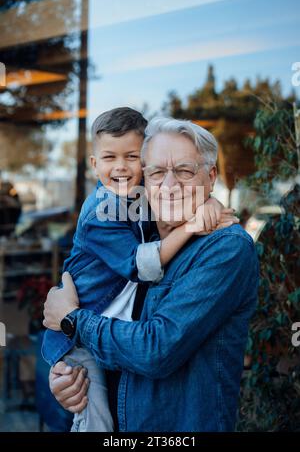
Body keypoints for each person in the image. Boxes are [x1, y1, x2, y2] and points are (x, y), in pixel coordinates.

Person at [43, 117, 258, 432]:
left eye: (185, 171)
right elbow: (113, 340)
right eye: (157, 173)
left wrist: (73, 320)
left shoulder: (226, 248)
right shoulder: (140, 241)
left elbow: (155, 350)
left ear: (210, 177)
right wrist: (71, 376)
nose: (169, 186)